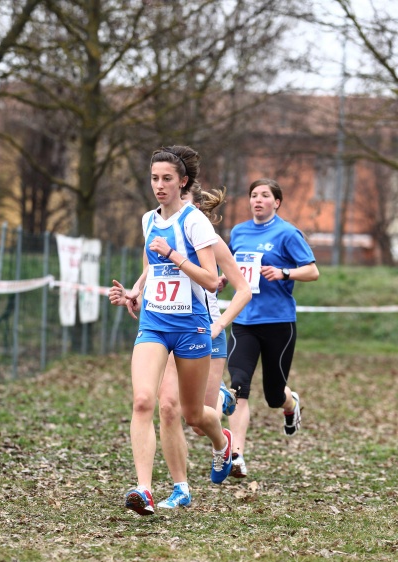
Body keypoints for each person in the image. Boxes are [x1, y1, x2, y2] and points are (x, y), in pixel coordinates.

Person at [108, 145, 234, 516]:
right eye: (154, 178)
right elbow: (151, 268)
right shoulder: (148, 220)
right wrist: (135, 291)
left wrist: (174, 255)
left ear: (182, 182)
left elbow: (211, 280)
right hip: (155, 323)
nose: (159, 185)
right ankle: (143, 490)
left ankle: (221, 441)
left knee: (194, 415)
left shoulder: (194, 222)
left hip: (191, 326)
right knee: (145, 401)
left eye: (166, 179)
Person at [155, 185, 252, 509]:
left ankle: (222, 438)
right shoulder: (160, 232)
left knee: (196, 422)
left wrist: (219, 324)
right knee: (168, 408)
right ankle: (180, 488)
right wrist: (135, 294)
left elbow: (243, 290)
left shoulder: (209, 240)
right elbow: (151, 276)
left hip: (205, 334)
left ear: (196, 209)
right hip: (169, 330)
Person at [219, 178, 319, 478]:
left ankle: (290, 403)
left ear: (277, 202)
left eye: (265, 195)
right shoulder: (239, 232)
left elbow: (312, 271)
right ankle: (236, 457)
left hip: (278, 323)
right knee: (238, 387)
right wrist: (223, 279)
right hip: (244, 321)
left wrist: (284, 272)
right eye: (253, 195)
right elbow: (231, 266)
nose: (258, 200)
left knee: (274, 395)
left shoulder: (287, 233)